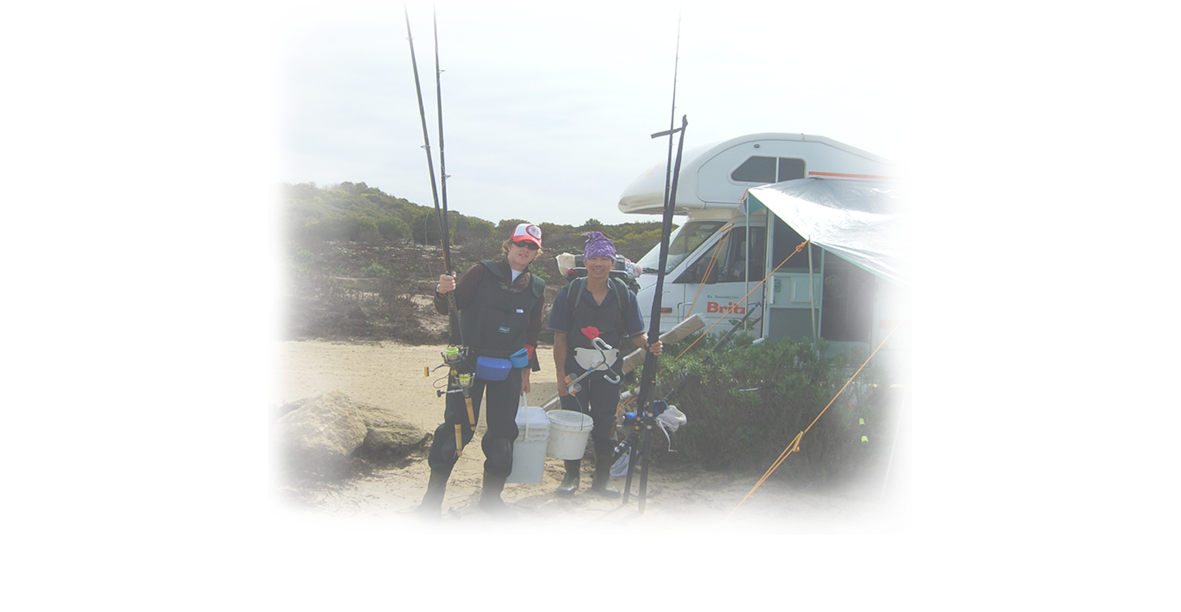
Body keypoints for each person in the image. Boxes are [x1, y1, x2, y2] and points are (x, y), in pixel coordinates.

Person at [418, 222, 546, 524]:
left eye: (531, 247)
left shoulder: (537, 288)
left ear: (536, 253)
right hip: (468, 363)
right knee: (456, 427)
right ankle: (433, 495)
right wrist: (441, 290)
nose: (525, 250)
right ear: (509, 244)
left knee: (503, 433)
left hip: (510, 366)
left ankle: (491, 497)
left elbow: (532, 334)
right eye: (520, 244)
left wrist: (526, 371)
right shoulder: (480, 272)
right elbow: (449, 306)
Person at [547, 231, 662, 499]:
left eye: (604, 259)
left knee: (606, 422)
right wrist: (560, 376)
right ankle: (571, 476)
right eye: (593, 258)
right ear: (585, 262)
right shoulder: (570, 295)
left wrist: (650, 345)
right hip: (575, 371)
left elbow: (637, 334)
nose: (598, 264)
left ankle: (602, 478)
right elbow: (559, 339)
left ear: (612, 263)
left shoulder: (624, 295)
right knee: (573, 421)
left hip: (609, 372)